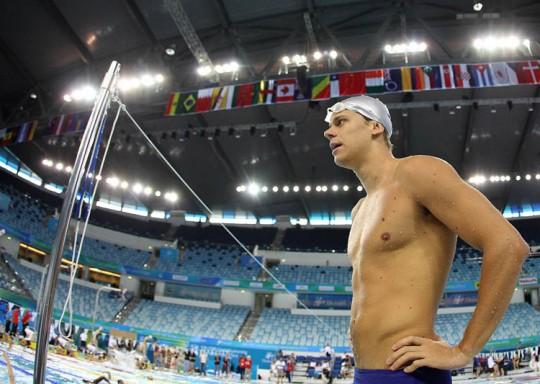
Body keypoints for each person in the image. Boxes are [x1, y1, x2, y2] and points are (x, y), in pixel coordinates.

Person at [323, 95, 530, 384]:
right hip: (365, 373)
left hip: (409, 374)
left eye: (341, 122)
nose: (329, 132)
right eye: (330, 126)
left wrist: (464, 350)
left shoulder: (416, 172)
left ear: (375, 127)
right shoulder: (360, 209)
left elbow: (509, 245)